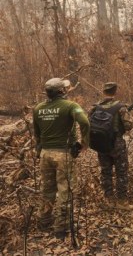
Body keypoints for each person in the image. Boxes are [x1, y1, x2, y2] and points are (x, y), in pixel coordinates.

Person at [33, 78, 89, 239]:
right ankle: (61, 227)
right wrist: (84, 143)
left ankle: (44, 222)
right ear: (61, 92)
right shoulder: (70, 106)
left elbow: (37, 135)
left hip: (45, 154)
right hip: (63, 154)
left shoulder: (38, 109)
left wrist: (39, 150)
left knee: (47, 189)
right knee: (66, 190)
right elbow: (84, 122)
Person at [90, 82, 133, 210]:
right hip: (117, 144)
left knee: (105, 172)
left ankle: (109, 201)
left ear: (103, 91)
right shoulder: (121, 107)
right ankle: (122, 202)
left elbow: (89, 124)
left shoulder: (95, 107)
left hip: (101, 144)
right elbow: (129, 126)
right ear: (115, 92)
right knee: (121, 172)